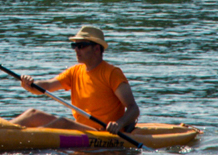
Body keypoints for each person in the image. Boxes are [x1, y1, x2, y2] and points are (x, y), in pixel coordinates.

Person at [10, 25, 139, 134]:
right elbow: (48, 86)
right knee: (33, 114)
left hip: (102, 132)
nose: (76, 50)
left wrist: (118, 123)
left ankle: (27, 138)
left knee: (63, 122)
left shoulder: (112, 73)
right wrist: (29, 85)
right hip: (82, 129)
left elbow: (133, 109)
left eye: (81, 46)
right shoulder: (74, 72)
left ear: (96, 49)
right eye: (74, 46)